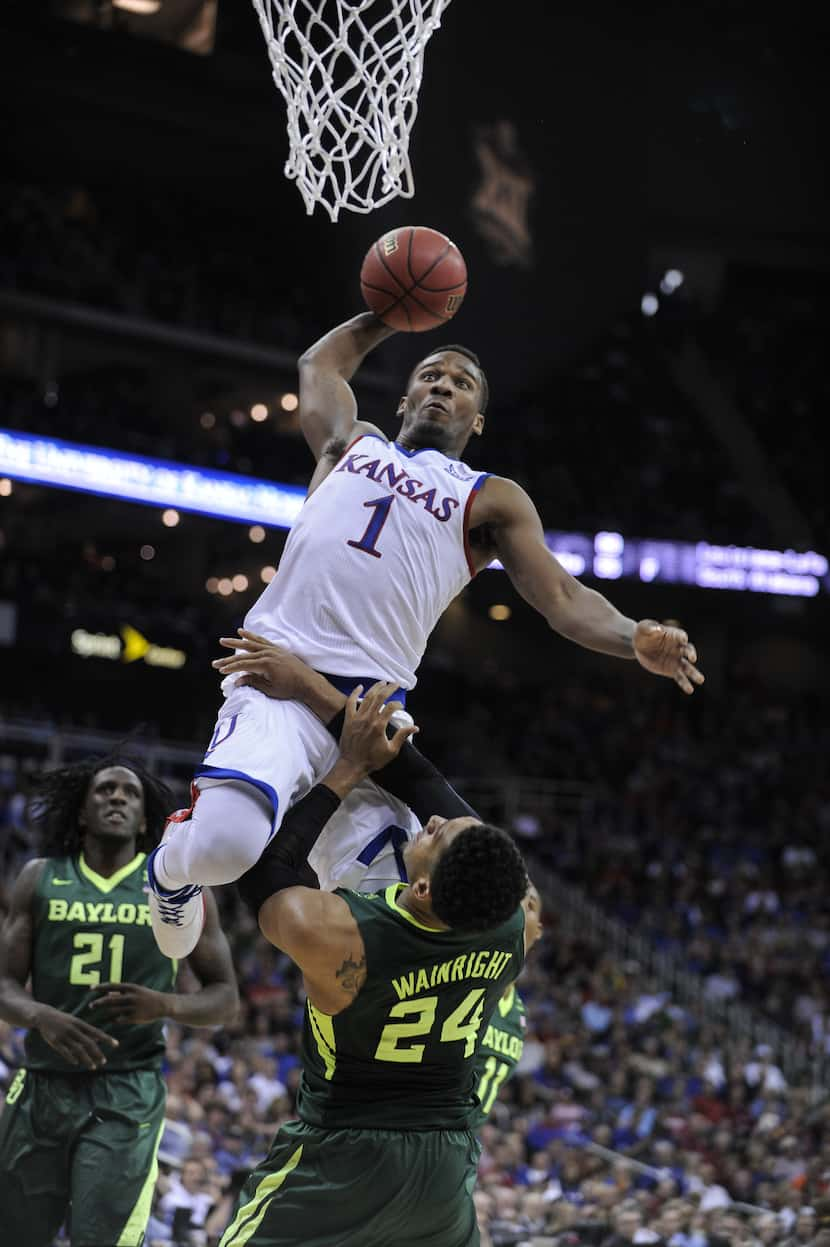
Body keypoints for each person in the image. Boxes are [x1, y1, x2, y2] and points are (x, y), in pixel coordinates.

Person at [146, 308, 704, 958]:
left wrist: (632, 634)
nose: (444, 384)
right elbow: (318, 366)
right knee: (226, 849)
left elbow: (561, 596)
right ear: (407, 394)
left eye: (462, 382)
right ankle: (169, 869)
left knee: (404, 918)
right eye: (431, 374)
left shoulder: (491, 497)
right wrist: (388, 314)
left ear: (478, 418)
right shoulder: (350, 442)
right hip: (277, 676)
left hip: (371, 715)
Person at [217, 681, 530, 1247]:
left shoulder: (343, 936)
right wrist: (354, 727)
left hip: (345, 1154)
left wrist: (345, 771)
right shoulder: (509, 930)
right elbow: (434, 793)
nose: (432, 820)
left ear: (427, 888)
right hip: (443, 1167)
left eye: (436, 834)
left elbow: (263, 871)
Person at [0, 756, 239, 1247]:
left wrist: (165, 1004)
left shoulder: (176, 888)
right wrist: (42, 1016)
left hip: (127, 1090)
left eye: (130, 793)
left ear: (146, 819)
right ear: (82, 813)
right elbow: (2, 984)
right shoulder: (38, 878)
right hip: (42, 1084)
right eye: (105, 790)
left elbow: (225, 999)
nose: (117, 798)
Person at [472, 883, 542, 1128]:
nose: (519, 911)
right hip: (423, 1133)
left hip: (464, 1146)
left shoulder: (518, 1013)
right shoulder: (463, 982)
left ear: (538, 930)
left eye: (528, 905)